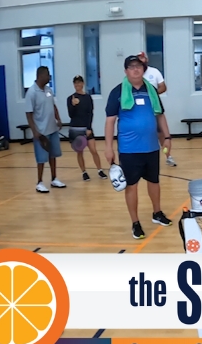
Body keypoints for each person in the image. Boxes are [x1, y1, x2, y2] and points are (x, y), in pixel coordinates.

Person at [104, 56, 173, 239]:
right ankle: (135, 223)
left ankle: (157, 213)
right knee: (132, 186)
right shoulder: (117, 92)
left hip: (151, 147)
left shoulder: (151, 90)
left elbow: (160, 116)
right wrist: (108, 147)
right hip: (129, 150)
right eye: (131, 67)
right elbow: (110, 122)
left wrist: (167, 137)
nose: (135, 70)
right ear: (126, 71)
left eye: (139, 67)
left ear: (144, 70)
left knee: (154, 182)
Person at [24, 66, 66, 193]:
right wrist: (34, 131)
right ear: (41, 75)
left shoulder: (48, 90)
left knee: (53, 155)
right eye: (47, 74)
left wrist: (58, 119)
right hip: (41, 131)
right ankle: (40, 182)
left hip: (52, 129)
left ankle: (54, 179)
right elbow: (29, 114)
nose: (49, 77)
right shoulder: (31, 92)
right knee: (41, 158)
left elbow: (52, 105)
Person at [137, 52, 175, 167]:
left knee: (161, 132)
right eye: (139, 59)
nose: (142, 60)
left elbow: (163, 87)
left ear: (147, 59)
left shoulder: (154, 72)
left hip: (154, 105)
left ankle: (168, 156)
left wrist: (153, 94)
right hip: (140, 108)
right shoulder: (135, 74)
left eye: (143, 58)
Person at [67, 75, 107, 181]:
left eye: (79, 83)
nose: (78, 85)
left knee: (93, 150)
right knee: (79, 152)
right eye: (75, 83)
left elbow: (90, 113)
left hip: (86, 127)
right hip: (75, 129)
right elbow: (71, 115)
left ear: (83, 84)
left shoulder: (88, 97)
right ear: (74, 85)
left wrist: (89, 127)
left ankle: (100, 170)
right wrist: (73, 105)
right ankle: (84, 172)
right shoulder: (70, 98)